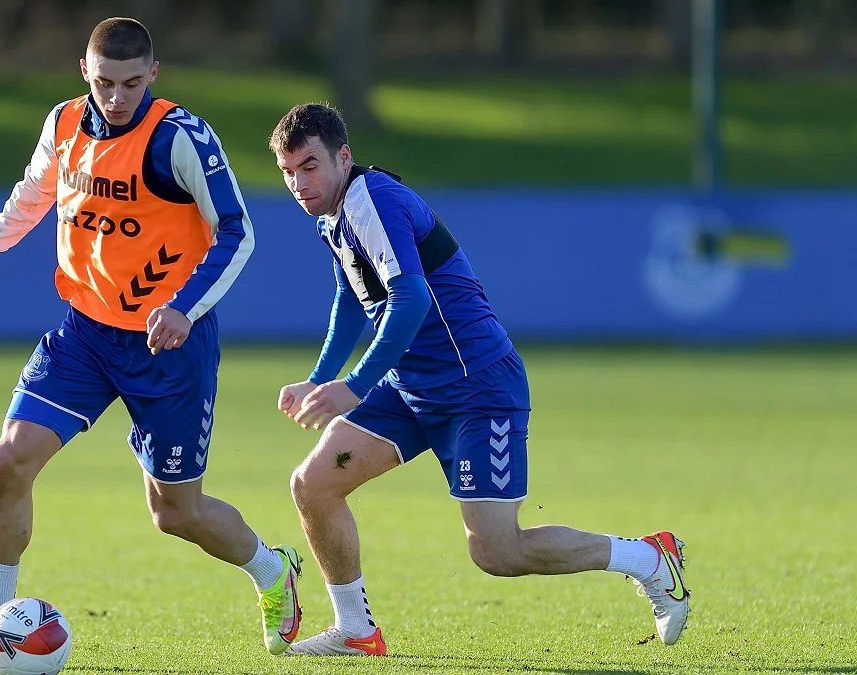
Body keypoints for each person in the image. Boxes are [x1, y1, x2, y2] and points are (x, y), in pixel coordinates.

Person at [0, 17, 303, 668]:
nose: (118, 96)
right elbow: (33, 195)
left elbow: (237, 231)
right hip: (86, 334)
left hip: (168, 346)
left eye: (132, 83)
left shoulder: (179, 138)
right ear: (85, 71)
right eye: (105, 82)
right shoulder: (63, 123)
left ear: (153, 73)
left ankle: (274, 571)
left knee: (176, 512)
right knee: (11, 459)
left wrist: (184, 307)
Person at [267, 102, 690, 656]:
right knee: (313, 485)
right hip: (411, 387)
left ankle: (650, 558)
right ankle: (355, 630)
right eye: (288, 172)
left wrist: (354, 384)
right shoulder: (334, 215)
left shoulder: (372, 199)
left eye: (310, 166)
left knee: (497, 551)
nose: (299, 184)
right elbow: (352, 298)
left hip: (478, 387)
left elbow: (411, 299)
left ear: (343, 157)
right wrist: (319, 378)